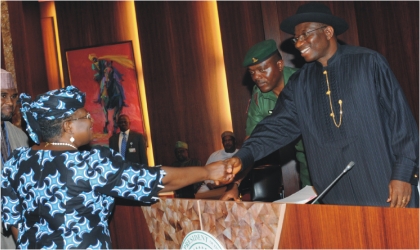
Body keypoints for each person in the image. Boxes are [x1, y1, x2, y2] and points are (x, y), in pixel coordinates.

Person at [225, 2, 419, 208]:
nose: (299, 44)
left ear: (328, 31)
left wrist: (403, 175)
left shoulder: (368, 62)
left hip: (385, 186)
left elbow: (402, 122)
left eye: (305, 35)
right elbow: (275, 128)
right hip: (336, 196)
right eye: (296, 38)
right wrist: (243, 156)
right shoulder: (300, 84)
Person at [1, 86, 239, 249]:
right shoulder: (88, 164)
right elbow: (156, 180)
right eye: (85, 117)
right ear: (68, 127)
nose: (91, 121)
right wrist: (207, 172)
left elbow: (12, 219)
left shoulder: (15, 162)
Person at [220, 40, 311, 201]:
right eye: (252, 72)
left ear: (280, 65)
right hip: (305, 161)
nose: (257, 77)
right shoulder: (259, 97)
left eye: (262, 69)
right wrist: (235, 185)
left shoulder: (304, 81)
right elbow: (252, 143)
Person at [0, 69, 29, 249]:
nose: (10, 102)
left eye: (13, 96)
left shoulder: (20, 136)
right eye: (3, 96)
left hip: (18, 225)